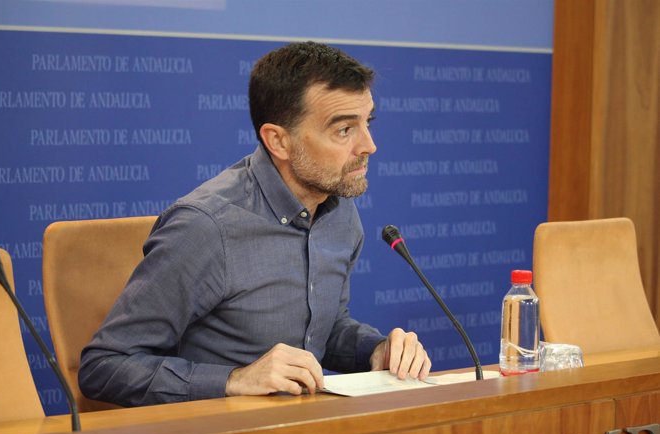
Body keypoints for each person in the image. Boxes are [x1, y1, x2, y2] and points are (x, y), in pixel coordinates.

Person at [79, 41, 431, 406]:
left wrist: (375, 350)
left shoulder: (338, 210)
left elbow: (323, 327)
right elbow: (103, 366)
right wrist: (233, 380)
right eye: (344, 130)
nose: (369, 145)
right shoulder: (206, 227)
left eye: (367, 123)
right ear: (278, 140)